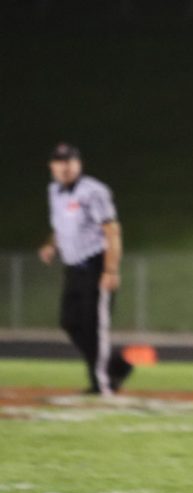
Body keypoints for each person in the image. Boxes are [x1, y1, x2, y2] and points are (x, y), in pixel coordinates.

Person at [38, 143, 132, 395]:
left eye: (69, 161)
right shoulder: (54, 191)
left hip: (95, 264)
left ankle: (102, 383)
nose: (65, 166)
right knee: (70, 323)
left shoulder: (94, 191)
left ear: (78, 164)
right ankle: (118, 365)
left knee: (93, 326)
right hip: (72, 266)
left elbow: (112, 231)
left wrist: (110, 270)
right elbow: (61, 226)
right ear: (52, 166)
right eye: (60, 161)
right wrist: (51, 245)